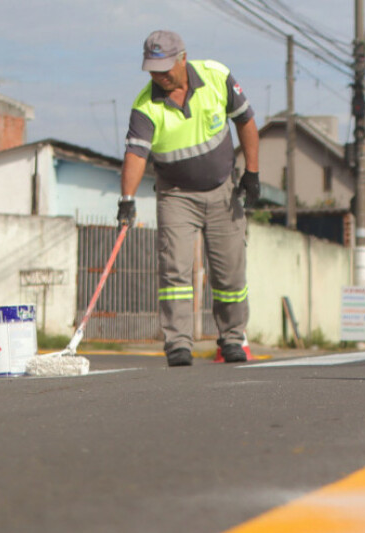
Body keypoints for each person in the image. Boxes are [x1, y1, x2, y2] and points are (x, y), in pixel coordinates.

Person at [118, 30, 260, 367]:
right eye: (152, 69)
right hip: (176, 195)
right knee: (174, 272)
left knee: (230, 275)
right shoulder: (145, 105)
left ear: (183, 58)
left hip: (223, 189)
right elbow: (136, 155)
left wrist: (252, 172)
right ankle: (178, 343)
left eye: (165, 67)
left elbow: (246, 122)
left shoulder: (216, 76)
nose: (159, 76)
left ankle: (231, 339)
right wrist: (126, 199)